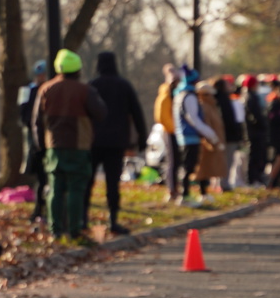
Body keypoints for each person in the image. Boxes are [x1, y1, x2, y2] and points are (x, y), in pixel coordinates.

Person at [32, 49, 106, 241]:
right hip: (79, 146)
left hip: (53, 146)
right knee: (76, 189)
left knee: (55, 188)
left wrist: (41, 146)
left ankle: (55, 230)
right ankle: (74, 230)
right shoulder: (85, 90)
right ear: (78, 70)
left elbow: (36, 122)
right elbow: (101, 113)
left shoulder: (45, 89)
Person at [85, 50, 148, 235]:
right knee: (113, 183)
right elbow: (137, 113)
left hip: (94, 141)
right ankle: (113, 220)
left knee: (88, 181)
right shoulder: (124, 85)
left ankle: (83, 218)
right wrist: (141, 138)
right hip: (117, 141)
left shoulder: (92, 85)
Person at [173, 65, 220, 204]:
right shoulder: (189, 97)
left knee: (189, 166)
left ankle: (189, 194)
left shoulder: (179, 95)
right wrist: (210, 134)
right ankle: (185, 196)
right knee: (189, 167)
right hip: (190, 136)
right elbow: (194, 119)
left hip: (183, 135)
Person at [19, 59, 48, 223]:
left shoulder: (47, 89)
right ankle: (38, 210)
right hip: (34, 138)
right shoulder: (26, 90)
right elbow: (22, 114)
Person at [195, 79, 227, 201]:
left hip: (214, 141)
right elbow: (205, 126)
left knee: (209, 169)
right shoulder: (203, 107)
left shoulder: (211, 106)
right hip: (207, 143)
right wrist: (213, 141)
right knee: (203, 169)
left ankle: (206, 192)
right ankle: (203, 193)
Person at [152, 63, 179, 202]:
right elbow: (161, 116)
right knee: (172, 161)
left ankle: (176, 188)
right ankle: (171, 189)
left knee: (177, 162)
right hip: (170, 131)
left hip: (176, 131)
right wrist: (174, 128)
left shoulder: (175, 93)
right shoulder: (166, 94)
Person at [241, 74, 269, 185]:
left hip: (253, 131)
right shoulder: (251, 97)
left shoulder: (248, 95)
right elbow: (255, 115)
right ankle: (253, 179)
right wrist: (263, 123)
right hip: (255, 132)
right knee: (255, 156)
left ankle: (254, 178)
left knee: (256, 155)